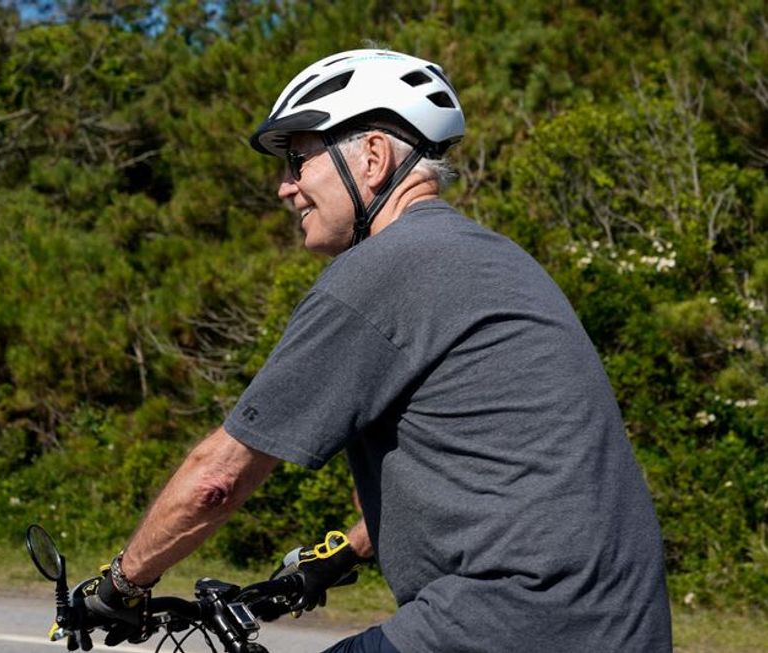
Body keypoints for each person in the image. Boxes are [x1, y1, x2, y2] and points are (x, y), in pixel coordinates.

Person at [75, 49, 673, 652]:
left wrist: (121, 585)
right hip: (620, 625)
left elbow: (218, 479)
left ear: (372, 157)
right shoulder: (495, 260)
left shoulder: (385, 269)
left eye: (298, 159)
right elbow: (503, 479)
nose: (285, 188)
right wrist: (340, 556)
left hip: (507, 621)